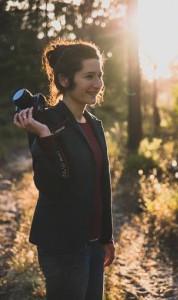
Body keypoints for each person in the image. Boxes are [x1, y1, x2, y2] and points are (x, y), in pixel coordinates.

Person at [13, 39, 115, 300]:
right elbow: (53, 185)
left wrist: (106, 236)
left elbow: (102, 183)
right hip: (63, 246)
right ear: (65, 80)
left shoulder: (94, 124)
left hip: (93, 244)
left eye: (100, 75)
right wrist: (44, 136)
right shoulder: (44, 122)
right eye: (89, 76)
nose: (98, 84)